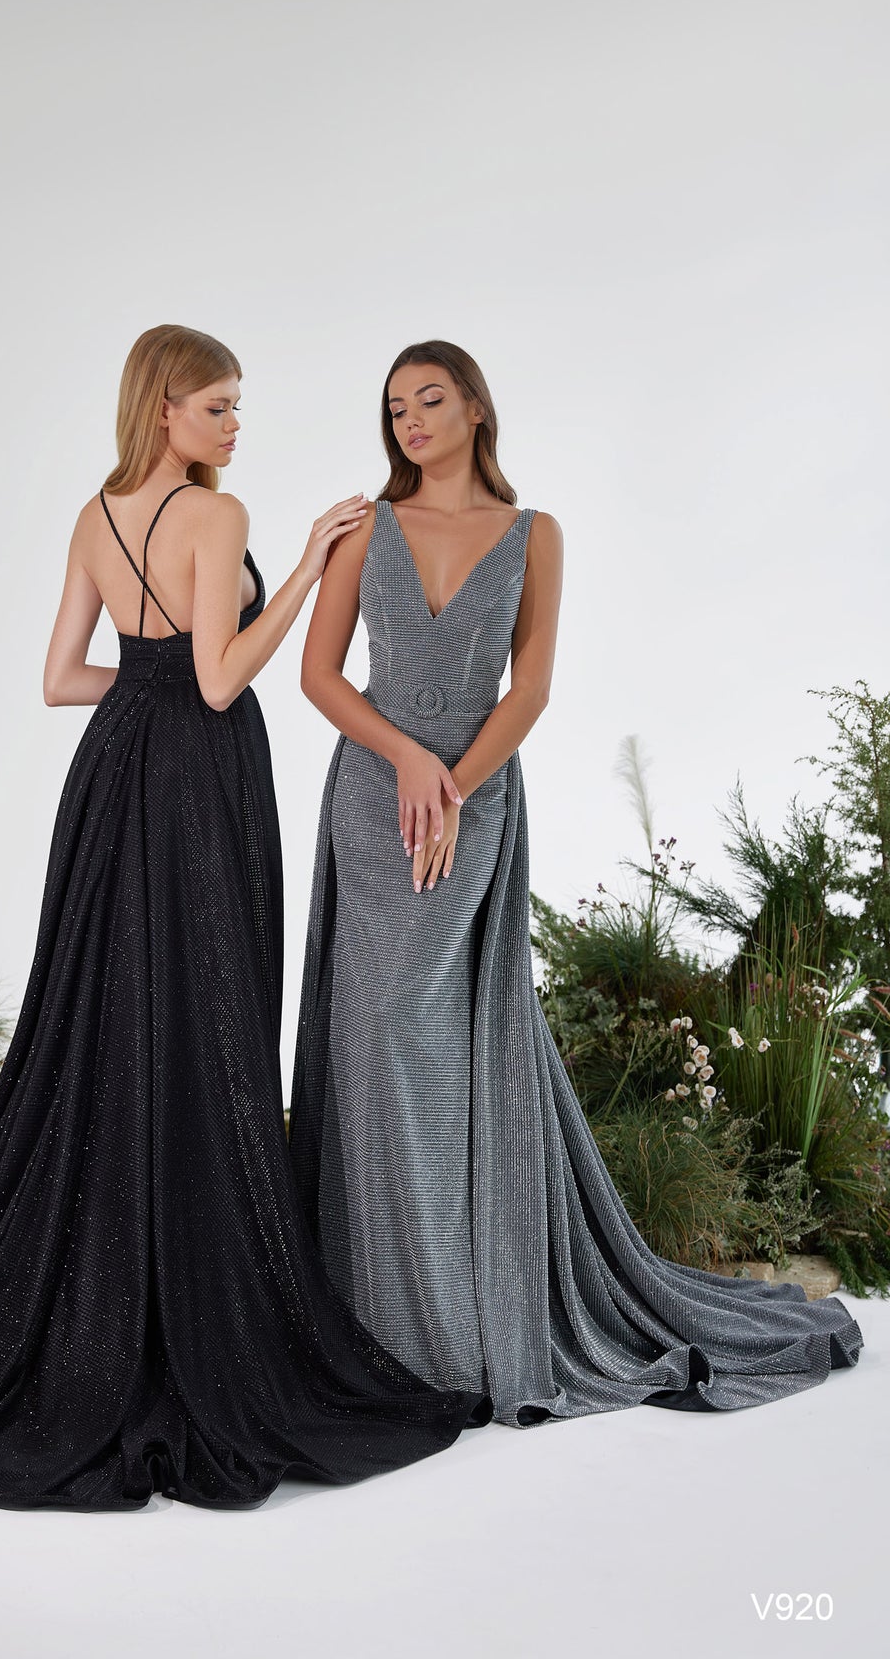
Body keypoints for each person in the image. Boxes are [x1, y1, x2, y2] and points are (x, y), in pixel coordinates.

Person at [0, 324, 486, 1510]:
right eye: (218, 407)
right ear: (163, 408)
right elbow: (222, 680)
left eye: (237, 407)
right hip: (198, 780)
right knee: (204, 1011)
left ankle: (104, 1265)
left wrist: (145, 680)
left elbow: (61, 678)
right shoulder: (215, 516)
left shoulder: (95, 514)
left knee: (110, 1014)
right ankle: (190, 1289)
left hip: (113, 768)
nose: (234, 426)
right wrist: (304, 568)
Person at [288, 337, 863, 1423]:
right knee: (374, 1038)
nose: (411, 420)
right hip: (374, 802)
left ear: (475, 407)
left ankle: (457, 1319)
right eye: (396, 407)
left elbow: (531, 688)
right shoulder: (367, 527)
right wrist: (407, 761)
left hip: (474, 800)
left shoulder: (534, 534)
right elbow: (318, 675)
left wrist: (455, 785)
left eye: (430, 399)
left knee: (442, 1043)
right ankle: (377, 1317)